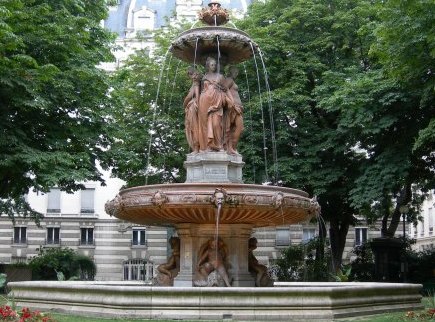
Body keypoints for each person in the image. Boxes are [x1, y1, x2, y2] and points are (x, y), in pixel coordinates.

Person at [198, 57, 229, 152]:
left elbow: (226, 89)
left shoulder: (220, 76)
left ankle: (219, 146)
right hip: (204, 101)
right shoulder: (204, 77)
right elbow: (202, 90)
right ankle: (207, 146)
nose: (214, 66)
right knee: (205, 124)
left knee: (216, 124)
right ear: (207, 66)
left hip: (217, 102)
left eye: (215, 64)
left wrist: (230, 101)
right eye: (212, 64)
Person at [224, 66, 244, 154]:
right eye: (234, 72)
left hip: (238, 108)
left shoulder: (232, 80)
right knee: (235, 128)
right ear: (230, 72)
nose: (236, 74)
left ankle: (232, 148)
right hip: (232, 107)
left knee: (238, 128)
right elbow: (224, 90)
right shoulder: (229, 80)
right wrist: (233, 105)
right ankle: (231, 147)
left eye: (237, 73)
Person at [183, 67, 202, 153]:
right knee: (192, 127)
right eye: (191, 75)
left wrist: (184, 103)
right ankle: (196, 147)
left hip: (192, 107)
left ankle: (196, 147)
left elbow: (192, 95)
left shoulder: (196, 84)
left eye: (192, 74)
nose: (192, 77)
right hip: (192, 107)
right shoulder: (195, 84)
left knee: (193, 127)